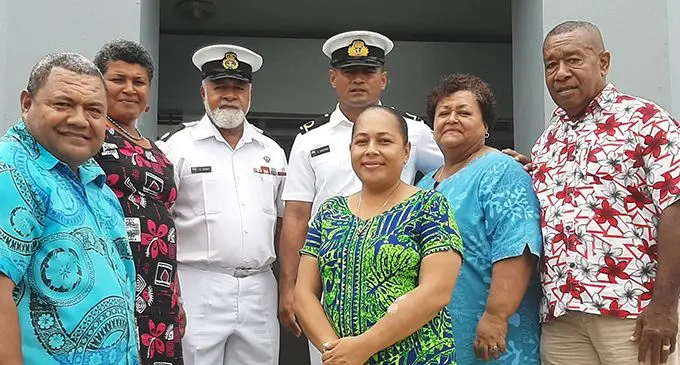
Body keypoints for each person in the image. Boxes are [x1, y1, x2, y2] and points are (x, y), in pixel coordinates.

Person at [508, 21, 680, 365]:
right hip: (561, 318)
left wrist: (664, 306)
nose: (560, 73)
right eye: (551, 65)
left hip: (630, 313)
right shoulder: (548, 141)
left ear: (603, 62)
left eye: (573, 60)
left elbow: (675, 210)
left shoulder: (646, 120)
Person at [278, 30, 444, 363]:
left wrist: (501, 160)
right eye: (348, 73)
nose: (358, 80)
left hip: (400, 288)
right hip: (327, 283)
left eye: (367, 72)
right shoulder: (311, 139)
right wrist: (289, 289)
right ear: (332, 78)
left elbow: (457, 164)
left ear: (383, 79)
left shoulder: (416, 131)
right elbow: (296, 215)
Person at [295, 105, 463, 364]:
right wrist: (336, 353)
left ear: (406, 151)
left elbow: (436, 291)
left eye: (384, 141)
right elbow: (304, 294)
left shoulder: (429, 206)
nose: (371, 150)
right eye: (361, 141)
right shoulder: (329, 212)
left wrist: (364, 346)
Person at [0, 53, 138, 364]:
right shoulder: (10, 170)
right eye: (63, 105)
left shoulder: (97, 184)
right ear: (26, 103)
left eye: (93, 110)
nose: (79, 120)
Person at [157, 44, 286, 365]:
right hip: (198, 283)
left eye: (238, 87)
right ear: (203, 91)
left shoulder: (271, 150)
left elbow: (285, 222)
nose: (229, 94)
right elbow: (160, 224)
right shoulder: (175, 148)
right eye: (219, 86)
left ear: (250, 93)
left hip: (260, 285)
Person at [417, 74, 543, 364]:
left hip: (492, 336)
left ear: (485, 125)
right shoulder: (423, 185)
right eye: (443, 113)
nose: (451, 119)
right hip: (437, 339)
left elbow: (518, 246)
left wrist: (496, 315)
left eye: (463, 112)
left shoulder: (501, 172)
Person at [93, 39, 185, 365]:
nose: (129, 89)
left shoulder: (154, 147)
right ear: (98, 84)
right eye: (118, 80)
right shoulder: (90, 135)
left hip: (159, 287)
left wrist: (176, 297)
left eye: (139, 82)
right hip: (117, 278)